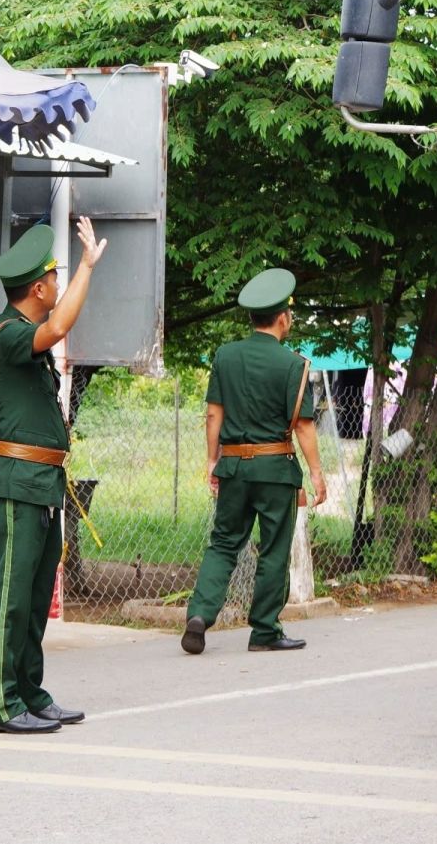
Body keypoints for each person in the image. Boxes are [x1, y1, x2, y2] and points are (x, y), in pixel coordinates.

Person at [0, 218, 106, 735]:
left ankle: (29, 692)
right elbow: (57, 328)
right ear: (38, 288)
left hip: (41, 482)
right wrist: (88, 268)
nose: (57, 284)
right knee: (9, 597)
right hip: (17, 482)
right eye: (54, 278)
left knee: (32, 602)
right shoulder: (8, 332)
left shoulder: (23, 338)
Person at [180, 267, 329, 656]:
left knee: (223, 543)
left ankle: (199, 615)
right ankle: (264, 630)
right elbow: (304, 427)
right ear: (283, 318)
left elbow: (214, 414)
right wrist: (316, 474)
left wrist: (212, 460)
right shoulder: (293, 365)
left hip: (233, 466)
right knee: (274, 549)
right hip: (276, 470)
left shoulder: (226, 356)